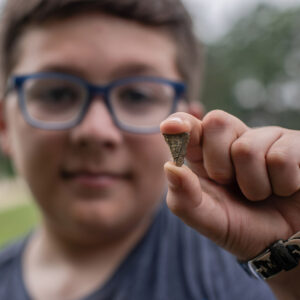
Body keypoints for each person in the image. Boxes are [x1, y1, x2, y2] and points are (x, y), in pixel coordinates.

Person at [0, 0, 299, 299]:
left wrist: (290, 273)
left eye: (137, 95)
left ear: (188, 128)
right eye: (57, 93)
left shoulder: (238, 268)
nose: (95, 131)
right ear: (4, 124)